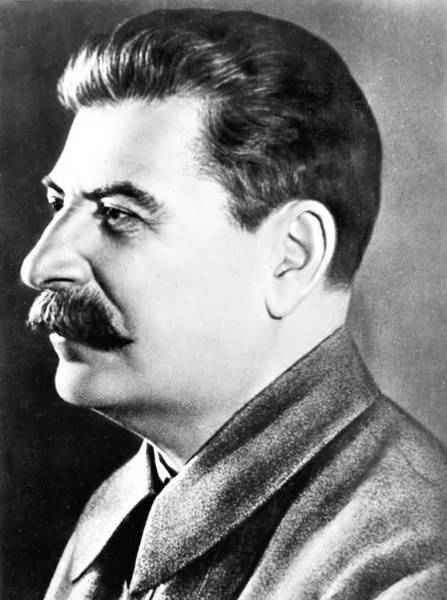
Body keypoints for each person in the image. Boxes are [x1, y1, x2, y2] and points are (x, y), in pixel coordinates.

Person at [20, 8, 446, 600]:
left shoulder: (410, 564)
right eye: (57, 204)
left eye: (118, 214)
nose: (39, 265)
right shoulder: (117, 510)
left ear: (292, 256)